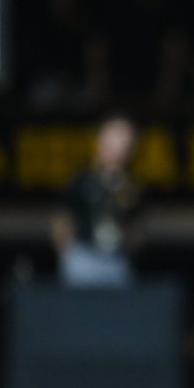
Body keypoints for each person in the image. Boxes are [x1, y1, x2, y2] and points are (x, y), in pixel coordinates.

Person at [50, 114, 143, 288]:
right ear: (102, 140)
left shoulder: (131, 186)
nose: (119, 147)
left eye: (125, 141)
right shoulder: (82, 179)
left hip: (116, 259)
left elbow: (137, 226)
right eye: (115, 138)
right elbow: (62, 219)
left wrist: (128, 249)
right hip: (82, 257)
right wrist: (67, 255)